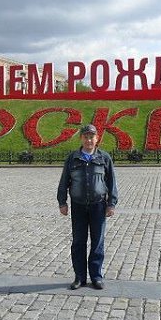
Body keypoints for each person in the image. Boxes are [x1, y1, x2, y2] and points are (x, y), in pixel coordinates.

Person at [57, 124, 118, 290]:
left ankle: (96, 276)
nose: (89, 140)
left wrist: (111, 203)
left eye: (92, 137)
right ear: (81, 139)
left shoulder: (104, 158)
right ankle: (80, 277)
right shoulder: (73, 158)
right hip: (78, 206)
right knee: (78, 241)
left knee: (97, 242)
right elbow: (64, 180)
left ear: (97, 139)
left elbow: (111, 182)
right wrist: (62, 202)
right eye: (86, 137)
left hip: (98, 205)